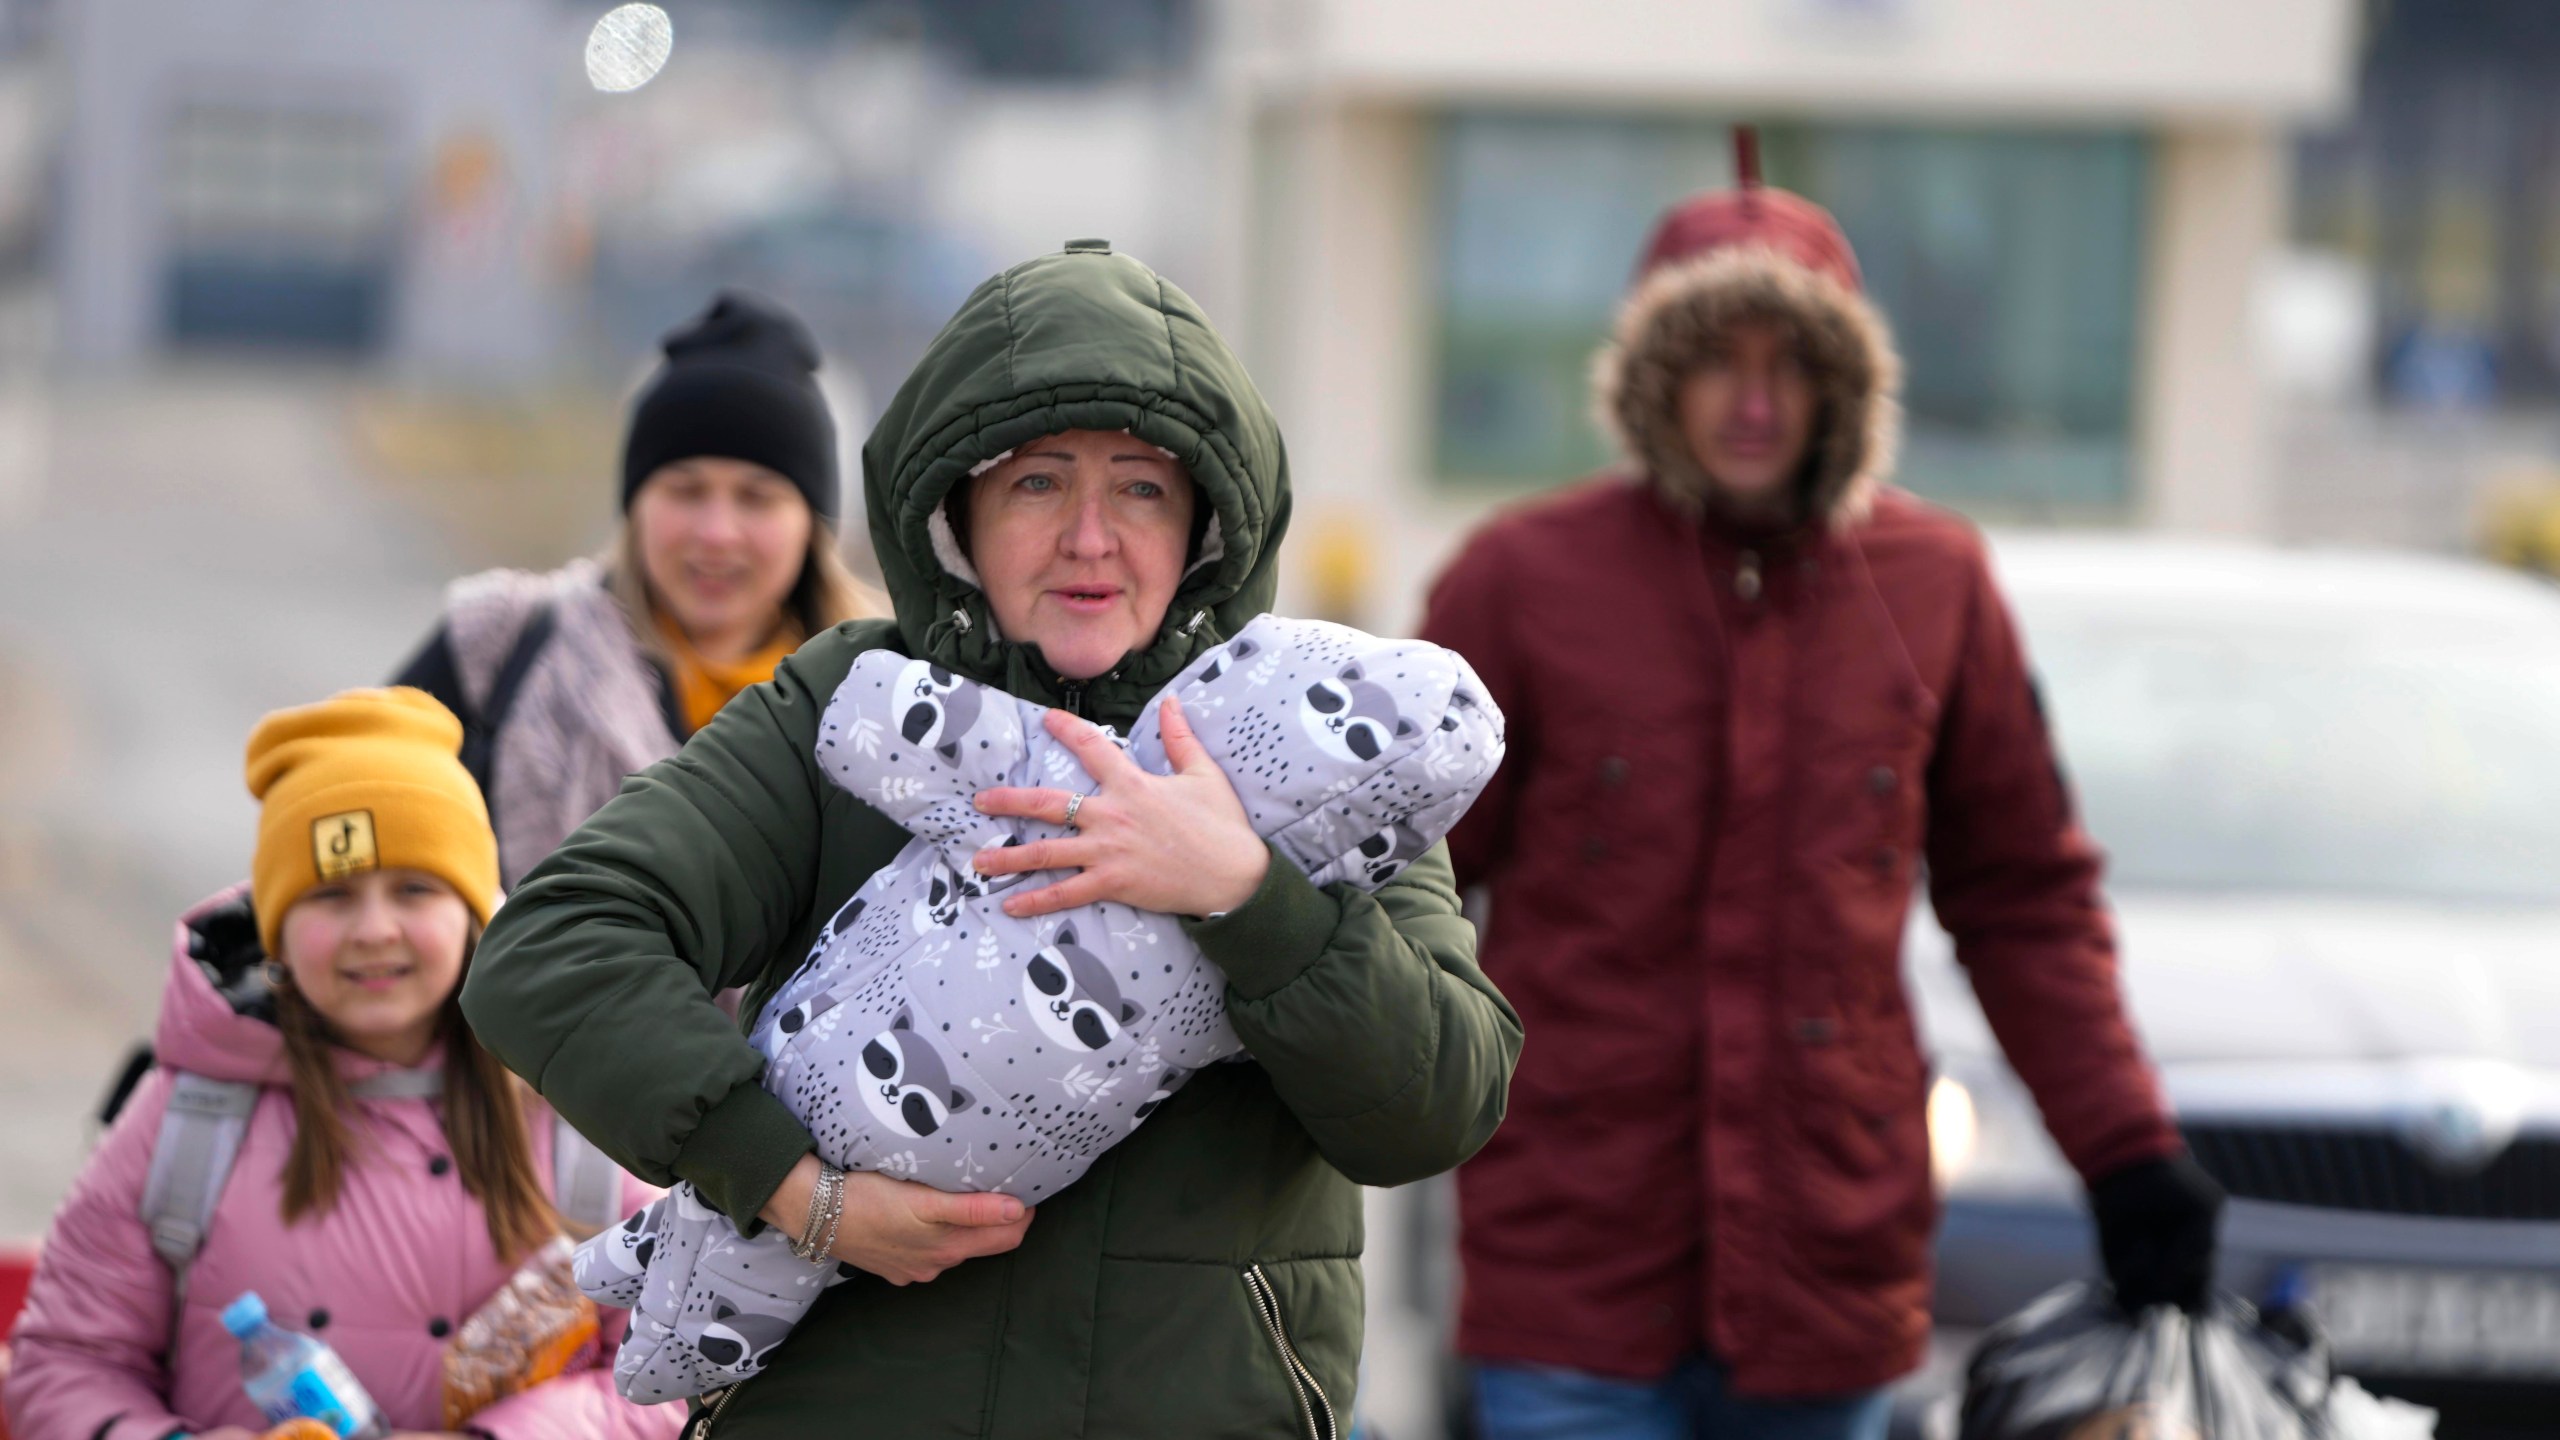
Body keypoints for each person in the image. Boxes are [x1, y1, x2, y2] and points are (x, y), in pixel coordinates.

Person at [459, 240, 1522, 1436]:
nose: (1088, 537)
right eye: (1036, 484)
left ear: (1206, 527)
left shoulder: (1306, 739)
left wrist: (1246, 894)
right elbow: (551, 948)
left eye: (1140, 488)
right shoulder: (849, 706)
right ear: (954, 512)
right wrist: (799, 1192)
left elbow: (1438, 1103)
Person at [1417, 154, 2224, 1439]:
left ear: (1841, 384)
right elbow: (1401, 885)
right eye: (1714, 358)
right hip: (1572, 1276)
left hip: (1827, 1277)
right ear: (1651, 378)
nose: (1751, 400)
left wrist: (2126, 1153)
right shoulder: (1521, 580)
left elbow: (2023, 900)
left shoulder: (1933, 583)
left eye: (1788, 361)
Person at [2, 689, 673, 1440]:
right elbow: (63, 1363)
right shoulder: (190, 1112)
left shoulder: (576, 1109)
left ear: (478, 915)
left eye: (414, 889)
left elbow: (674, 1372)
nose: (374, 930)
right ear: (278, 933)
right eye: (332, 896)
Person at [394, 289, 881, 887]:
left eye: (756, 497)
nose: (716, 533)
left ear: (814, 524)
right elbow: (344, 801)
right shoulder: (502, 647)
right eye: (685, 489)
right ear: (635, 503)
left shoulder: (887, 706)